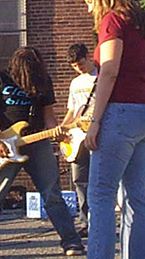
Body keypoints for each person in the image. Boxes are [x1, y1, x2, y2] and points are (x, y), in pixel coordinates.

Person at [0, 46, 84, 259]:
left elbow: (48, 115)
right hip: (4, 143)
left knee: (52, 194)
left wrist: (57, 133)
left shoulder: (43, 81)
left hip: (36, 141)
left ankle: (72, 243)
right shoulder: (0, 78)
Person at [82, 0, 145, 259]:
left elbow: (110, 70)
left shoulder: (112, 20)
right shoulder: (144, 24)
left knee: (101, 196)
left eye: (91, 1)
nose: (90, 8)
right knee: (135, 196)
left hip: (120, 112)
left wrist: (95, 121)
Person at [60, 43, 97, 238]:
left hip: (97, 133)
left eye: (81, 63)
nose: (79, 68)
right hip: (77, 136)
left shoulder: (101, 77)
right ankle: (84, 222)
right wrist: (62, 129)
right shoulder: (75, 83)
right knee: (79, 180)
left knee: (99, 180)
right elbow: (72, 111)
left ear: (88, 56)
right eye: (74, 66)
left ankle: (99, 222)